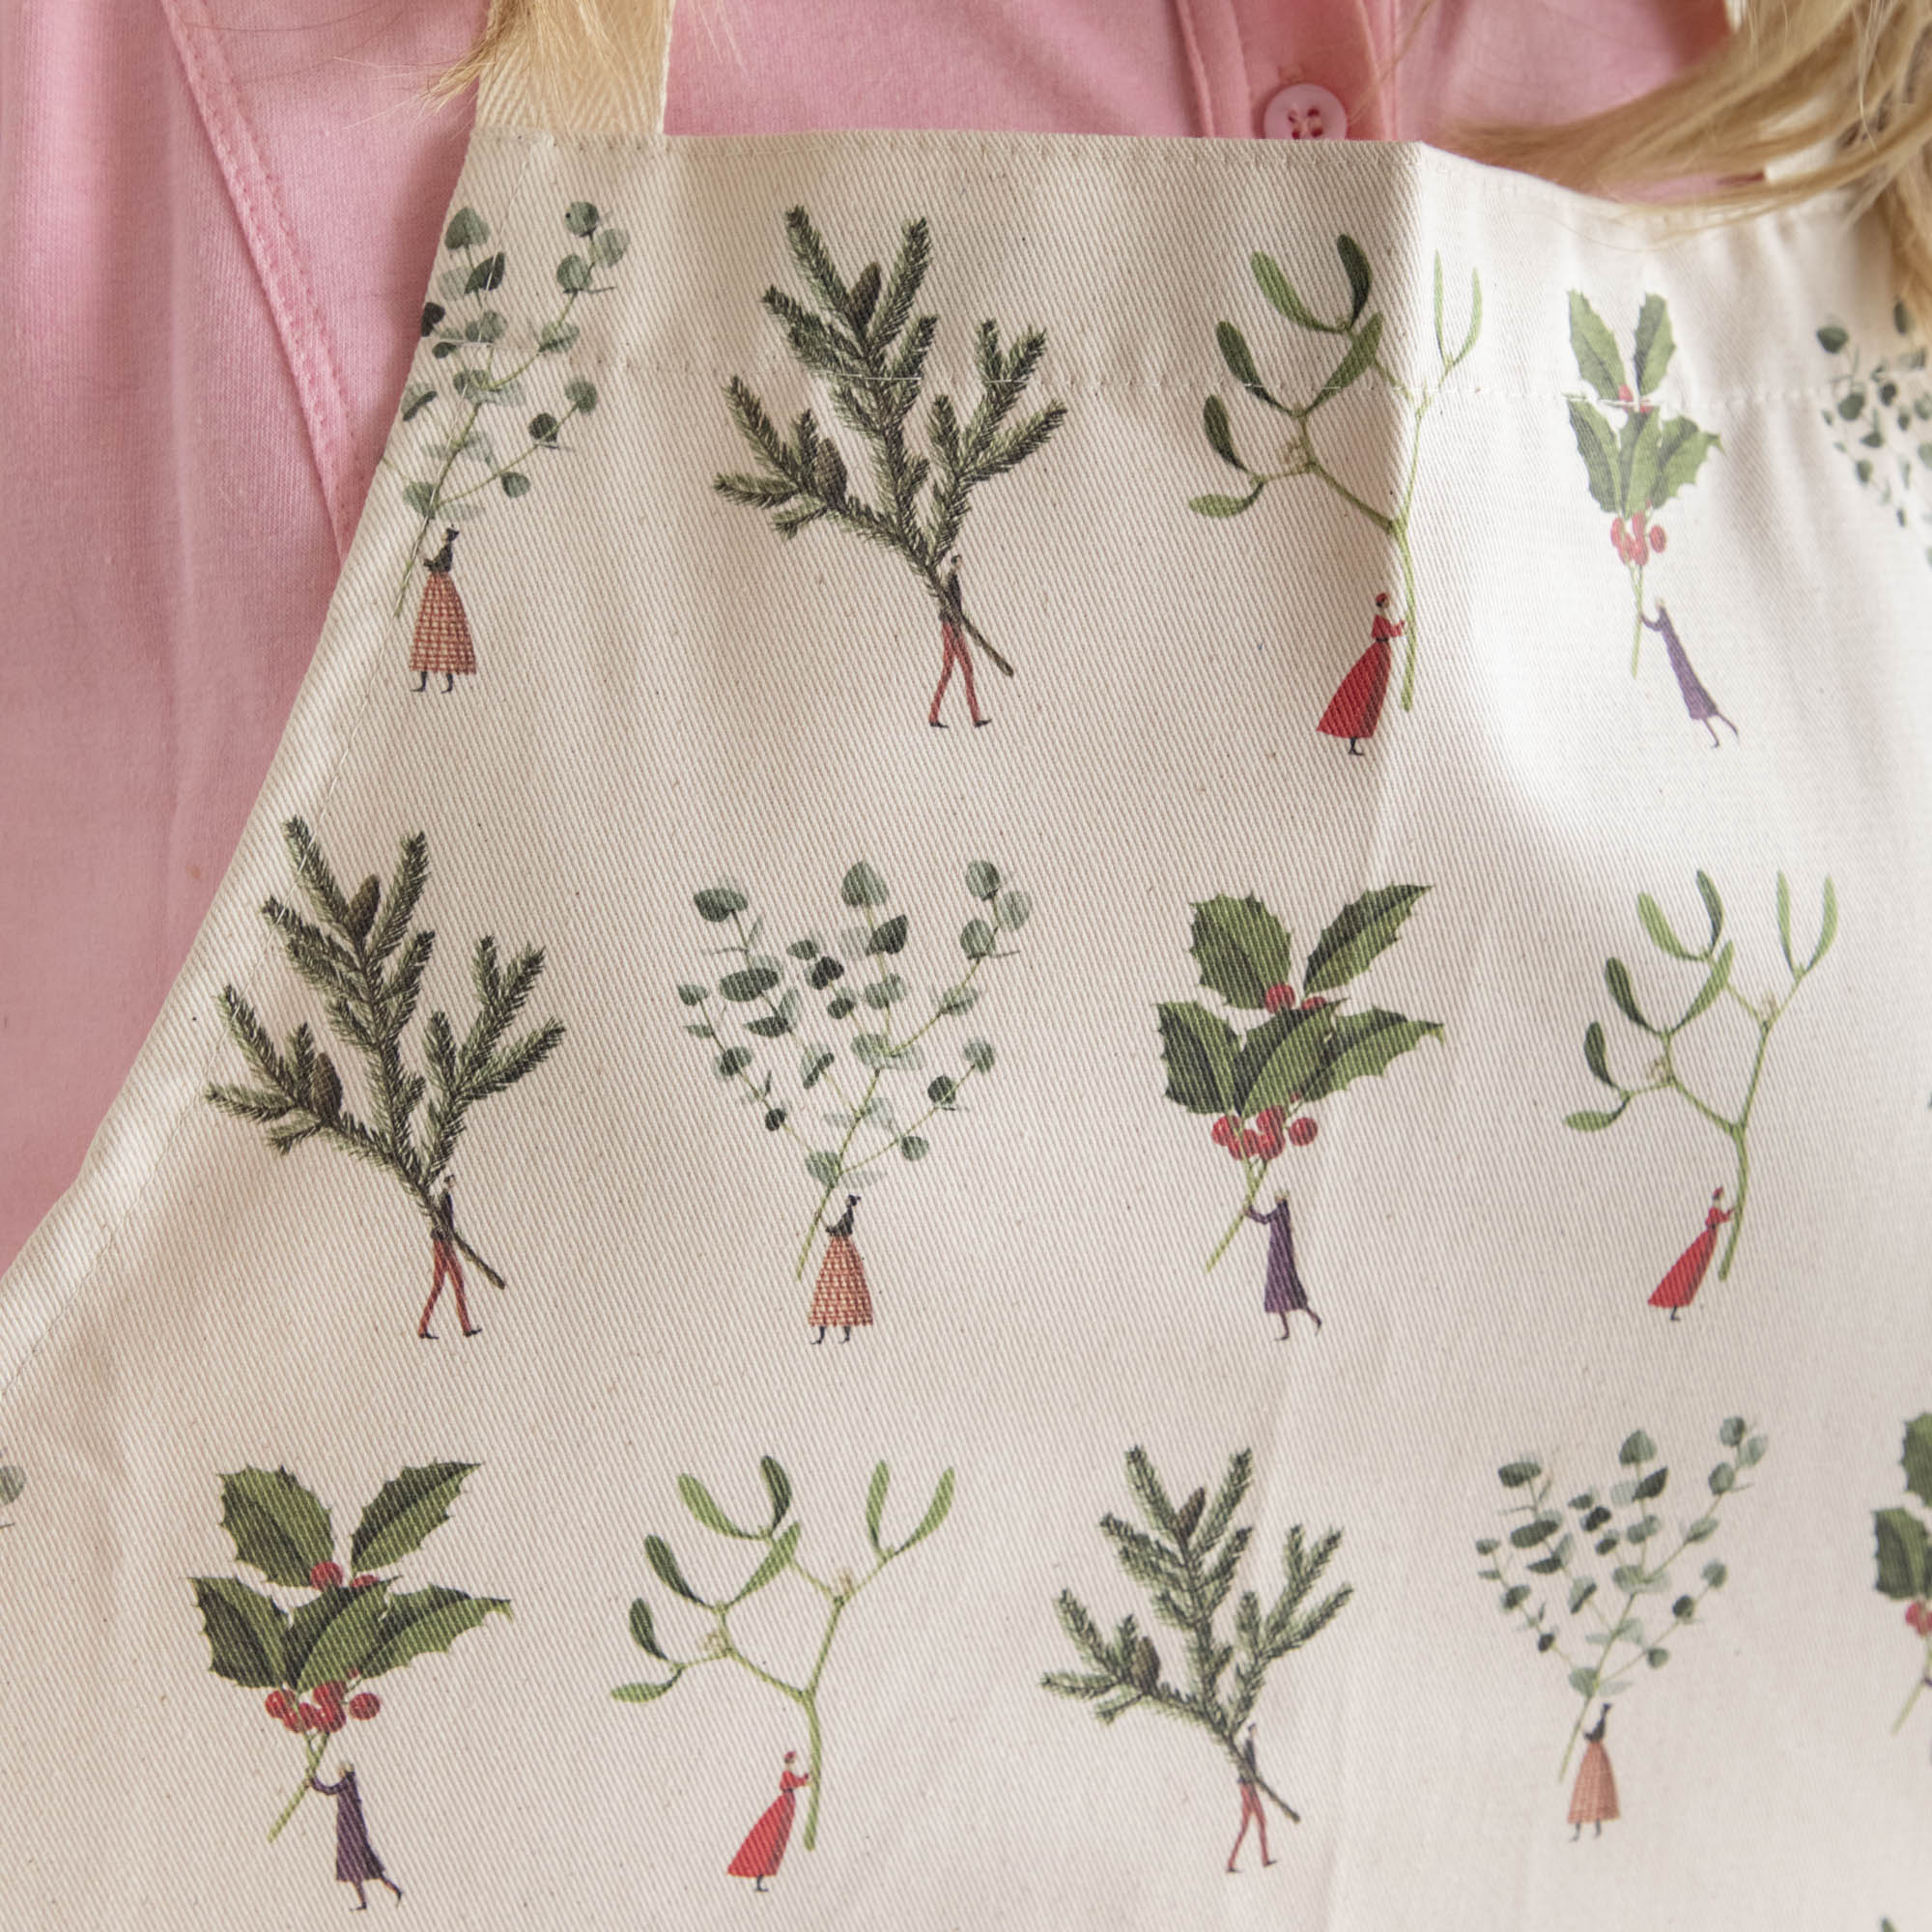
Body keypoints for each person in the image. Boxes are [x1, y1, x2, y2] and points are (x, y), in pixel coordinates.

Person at [309, 1762, 404, 1910]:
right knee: (366, 1870)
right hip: (351, 1832)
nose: (338, 1772)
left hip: (351, 1834)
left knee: (356, 1869)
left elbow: (329, 1790)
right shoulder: (350, 1782)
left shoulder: (347, 1782)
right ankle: (388, 1893)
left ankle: (368, 1901)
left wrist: (313, 1781)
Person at [1316, 593, 1403, 754]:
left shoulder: (1381, 616)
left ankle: (1353, 745)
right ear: (1383, 603)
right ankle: (1352, 744)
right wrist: (1402, 626)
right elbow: (1388, 632)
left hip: (1381, 654)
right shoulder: (1380, 618)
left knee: (1369, 695)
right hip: (1378, 655)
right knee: (1365, 694)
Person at [1643, 604, 1737, 748]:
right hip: (1680, 664)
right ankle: (1725, 731)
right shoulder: (1665, 620)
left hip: (1679, 662)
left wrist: (1643, 619)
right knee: (1702, 707)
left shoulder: (1664, 620)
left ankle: (1726, 731)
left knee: (1699, 704)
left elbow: (1655, 627)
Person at [1244, 1194, 1323, 1340]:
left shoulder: (1280, 1211)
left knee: (1281, 1294)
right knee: (1287, 1295)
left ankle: (1297, 1327)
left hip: (1278, 1256)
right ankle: (1310, 1321)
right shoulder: (1284, 1212)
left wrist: (1250, 1213)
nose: (1275, 1199)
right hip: (1281, 1256)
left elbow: (1264, 1220)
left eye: (1277, 1198)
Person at [727, 1750, 810, 1891]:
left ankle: (760, 1879)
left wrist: (806, 1777)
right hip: (784, 1805)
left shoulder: (788, 1774)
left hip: (787, 1804)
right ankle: (759, 1878)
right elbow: (795, 1782)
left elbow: (798, 1781)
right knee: (770, 1839)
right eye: (791, 1762)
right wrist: (806, 1780)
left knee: (774, 1840)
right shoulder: (786, 1774)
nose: (792, 1764)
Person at [1649, 1186, 1733, 1321]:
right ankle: (1673, 1308)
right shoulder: (1714, 1209)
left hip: (1708, 1243)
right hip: (1706, 1243)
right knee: (1689, 1273)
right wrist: (1729, 1215)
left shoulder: (1715, 1209)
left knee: (1690, 1274)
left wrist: (1729, 1213)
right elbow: (1717, 1218)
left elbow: (1720, 1217)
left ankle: (1674, 1310)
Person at [412, 526, 477, 695]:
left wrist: (423, 557)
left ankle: (439, 684)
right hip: (439, 586)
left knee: (436, 630)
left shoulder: (446, 551)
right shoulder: (446, 550)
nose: (441, 534)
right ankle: (429, 684)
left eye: (444, 533)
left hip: (440, 587)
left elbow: (438, 566)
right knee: (435, 633)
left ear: (447, 537)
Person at [419, 1174, 482, 1341]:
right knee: (441, 1285)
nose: (454, 1184)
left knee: (455, 1284)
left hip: (445, 1244)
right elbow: (441, 1224)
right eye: (451, 1181)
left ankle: (465, 1327)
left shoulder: (444, 1197)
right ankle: (423, 1327)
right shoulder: (443, 1198)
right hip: (442, 1244)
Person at [929, 556, 988, 730]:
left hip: (953, 627)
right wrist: (954, 625)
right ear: (954, 564)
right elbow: (946, 605)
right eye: (959, 562)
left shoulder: (952, 579)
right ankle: (974, 718)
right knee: (964, 669)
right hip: (951, 628)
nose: (961, 565)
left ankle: (935, 716)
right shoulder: (949, 580)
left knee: (952, 671)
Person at [810, 1195, 873, 1343]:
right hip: (840, 1249)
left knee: (837, 1289)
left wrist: (823, 1222)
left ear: (849, 1203)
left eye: (847, 1200)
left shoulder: (848, 1216)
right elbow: (836, 1230)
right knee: (837, 1291)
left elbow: (837, 1231)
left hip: (841, 1250)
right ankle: (832, 1336)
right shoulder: (847, 1215)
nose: (845, 1201)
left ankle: (835, 1336)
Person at [1227, 1725, 1276, 1872]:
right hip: (1249, 1788)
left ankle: (1231, 1863)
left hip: (1246, 1787)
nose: (1256, 1731)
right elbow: (1248, 1768)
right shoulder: (1248, 1745)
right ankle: (1264, 1859)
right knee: (1260, 1821)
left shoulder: (1247, 1744)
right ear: (1250, 1731)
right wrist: (1252, 1786)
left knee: (1246, 1826)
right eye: (1254, 1729)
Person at [1568, 1706, 1619, 1839]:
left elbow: (1594, 1736)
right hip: (1593, 1757)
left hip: (1594, 1757)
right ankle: (1588, 1831)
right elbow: (1593, 1735)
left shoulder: (1601, 1727)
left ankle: (1590, 1831)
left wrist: (1582, 1730)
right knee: (1590, 1792)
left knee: (1593, 1792)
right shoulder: (1601, 1725)